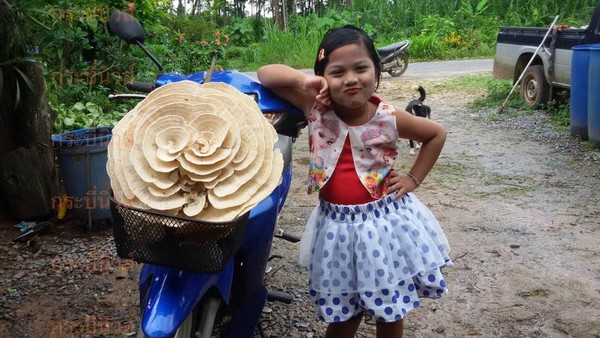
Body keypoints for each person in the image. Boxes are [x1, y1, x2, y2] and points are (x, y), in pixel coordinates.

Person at [257, 25, 452, 338]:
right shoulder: (316, 109)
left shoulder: (389, 116)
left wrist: (413, 178)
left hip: (383, 226)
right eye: (337, 72)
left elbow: (435, 134)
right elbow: (266, 74)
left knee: (389, 310)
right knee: (344, 312)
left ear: (376, 70)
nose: (350, 78)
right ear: (324, 78)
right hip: (337, 228)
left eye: (361, 68)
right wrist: (304, 81)